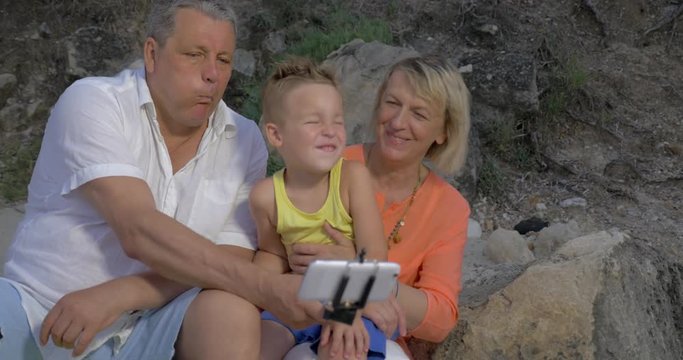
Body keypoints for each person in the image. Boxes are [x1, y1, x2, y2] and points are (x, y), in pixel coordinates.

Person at [0, 1, 322, 359]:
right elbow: (139, 228)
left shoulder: (244, 140)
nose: (212, 74)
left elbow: (229, 259)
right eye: (195, 55)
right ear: (152, 54)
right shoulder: (94, 101)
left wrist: (120, 294)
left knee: (229, 308)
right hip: (40, 307)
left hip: (154, 324)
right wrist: (268, 288)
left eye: (224, 59)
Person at [285, 55, 472, 359]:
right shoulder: (330, 164)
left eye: (419, 114)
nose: (398, 122)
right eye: (392, 103)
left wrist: (372, 283)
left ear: (444, 132)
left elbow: (440, 318)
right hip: (300, 323)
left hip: (375, 340)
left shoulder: (449, 207)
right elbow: (290, 256)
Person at [250, 57, 390, 360]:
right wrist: (262, 288)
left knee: (340, 351)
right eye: (314, 121)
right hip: (294, 304)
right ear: (276, 135)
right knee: (249, 349)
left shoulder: (353, 179)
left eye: (337, 120)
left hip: (352, 302)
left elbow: (376, 259)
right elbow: (272, 253)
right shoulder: (266, 196)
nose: (330, 130)